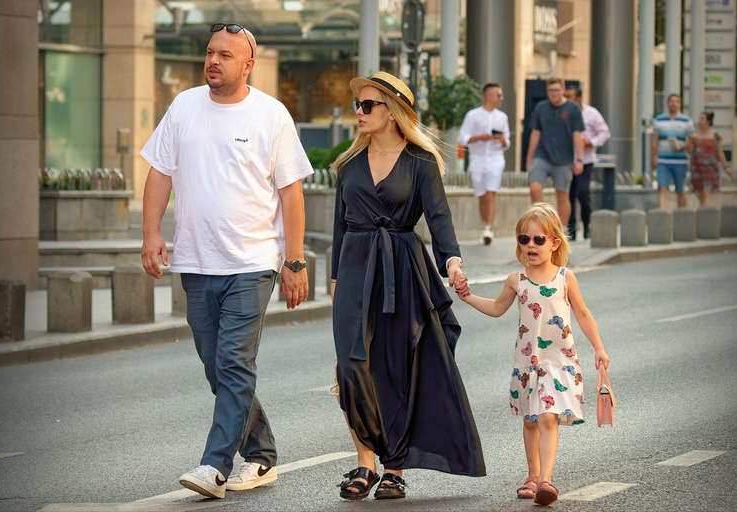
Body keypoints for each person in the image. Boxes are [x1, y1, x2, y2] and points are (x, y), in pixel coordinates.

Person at [139, 23, 313, 499]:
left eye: (225, 55)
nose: (213, 61)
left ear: (248, 64)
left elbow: (291, 194)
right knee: (217, 367)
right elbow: (159, 172)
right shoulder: (184, 106)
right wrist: (152, 232)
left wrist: (294, 262)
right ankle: (261, 455)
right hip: (196, 260)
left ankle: (214, 465)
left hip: (252, 262)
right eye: (210, 53)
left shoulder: (271, 115)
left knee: (234, 363)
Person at [330, 71, 486, 501]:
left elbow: (440, 221)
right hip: (355, 271)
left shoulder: (420, 162)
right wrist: (335, 280)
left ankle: (392, 468)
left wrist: (452, 264)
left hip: (402, 269)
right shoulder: (347, 166)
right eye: (357, 105)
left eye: (368, 105)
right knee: (351, 366)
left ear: (394, 112)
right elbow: (340, 229)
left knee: (396, 368)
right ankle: (364, 461)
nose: (358, 112)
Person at [454, 202, 610, 506]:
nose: (530, 246)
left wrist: (600, 349)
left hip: (559, 361)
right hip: (528, 363)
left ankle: (545, 481)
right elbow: (498, 309)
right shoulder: (517, 280)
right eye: (524, 239)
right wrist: (468, 297)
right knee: (530, 420)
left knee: (547, 418)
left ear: (554, 242)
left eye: (538, 239)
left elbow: (583, 314)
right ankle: (532, 474)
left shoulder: (566, 277)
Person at [525, 78, 585, 229]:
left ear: (563, 90)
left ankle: (562, 229)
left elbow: (577, 135)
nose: (554, 94)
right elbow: (535, 134)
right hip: (542, 155)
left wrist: (580, 159)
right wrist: (529, 158)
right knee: (535, 188)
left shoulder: (573, 109)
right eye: (551, 90)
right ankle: (544, 222)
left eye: (557, 90)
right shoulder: (541, 108)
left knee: (562, 195)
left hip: (564, 159)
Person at [458, 82, 511, 245]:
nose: (501, 98)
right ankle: (485, 226)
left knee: (491, 193)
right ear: (488, 95)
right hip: (477, 159)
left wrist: (502, 139)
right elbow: (462, 138)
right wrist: (480, 137)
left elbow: (507, 142)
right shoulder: (473, 115)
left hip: (495, 159)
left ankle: (489, 228)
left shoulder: (502, 117)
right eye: (498, 95)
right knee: (482, 195)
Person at [564, 87, 610, 241]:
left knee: (582, 192)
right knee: (568, 196)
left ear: (578, 98)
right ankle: (570, 230)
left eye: (569, 96)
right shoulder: (562, 113)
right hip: (566, 161)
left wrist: (592, 142)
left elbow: (605, 132)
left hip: (586, 160)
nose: (566, 98)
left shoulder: (591, 113)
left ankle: (587, 223)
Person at [651, 94, 695, 209]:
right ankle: (663, 216)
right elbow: (655, 140)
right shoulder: (659, 120)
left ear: (680, 104)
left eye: (676, 102)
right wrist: (653, 157)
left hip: (680, 162)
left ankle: (682, 217)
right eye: (671, 101)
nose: (673, 104)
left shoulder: (687, 121)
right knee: (662, 189)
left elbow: (692, 141)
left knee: (680, 191)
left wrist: (682, 146)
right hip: (663, 161)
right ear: (668, 103)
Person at [687, 111, 733, 206]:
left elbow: (720, 152)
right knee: (701, 194)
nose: (699, 121)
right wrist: (690, 142)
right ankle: (703, 212)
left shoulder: (715, 135)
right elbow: (690, 151)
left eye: (702, 119)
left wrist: (726, 167)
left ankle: (705, 214)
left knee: (707, 193)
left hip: (710, 170)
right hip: (697, 170)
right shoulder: (695, 135)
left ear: (708, 122)